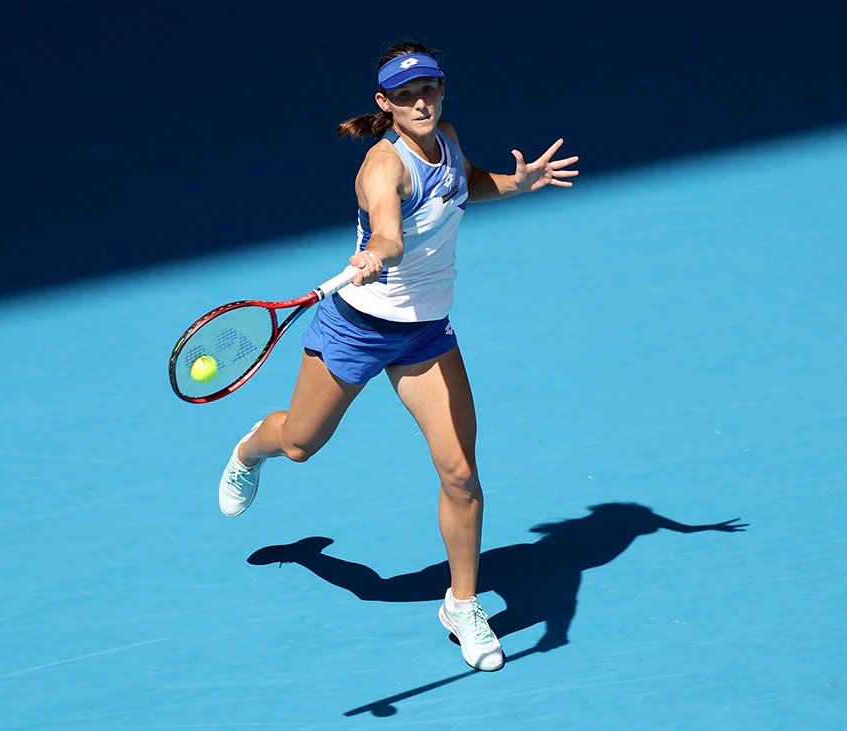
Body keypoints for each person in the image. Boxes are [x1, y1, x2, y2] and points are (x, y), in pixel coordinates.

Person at [218, 41, 579, 672]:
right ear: (384, 104)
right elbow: (387, 222)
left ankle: (462, 605)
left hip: (426, 335)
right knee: (300, 445)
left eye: (430, 89)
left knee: (461, 474)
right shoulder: (381, 168)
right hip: (357, 328)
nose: (421, 102)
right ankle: (252, 448)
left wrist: (515, 184)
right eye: (406, 95)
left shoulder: (448, 138)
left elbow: (464, 185)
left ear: (441, 90)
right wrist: (382, 246)